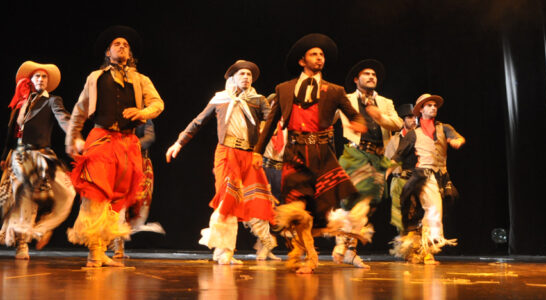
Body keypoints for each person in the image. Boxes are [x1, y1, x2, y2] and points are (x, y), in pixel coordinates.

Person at [253, 33, 367, 273]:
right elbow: (272, 122)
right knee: (296, 210)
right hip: (295, 153)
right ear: (302, 61)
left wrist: (359, 123)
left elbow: (354, 115)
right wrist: (257, 152)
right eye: (314, 54)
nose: (319, 58)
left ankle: (310, 250)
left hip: (322, 155)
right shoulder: (283, 89)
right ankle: (309, 256)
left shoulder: (334, 91)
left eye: (322, 55)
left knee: (320, 210)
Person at [66, 25, 164, 267]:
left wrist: (142, 112)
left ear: (130, 54)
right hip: (101, 139)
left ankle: (103, 249)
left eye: (126, 45)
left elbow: (158, 104)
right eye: (117, 44)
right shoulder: (95, 78)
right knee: (95, 194)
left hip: (128, 144)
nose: (122, 47)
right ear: (108, 52)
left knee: (116, 199)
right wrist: (71, 138)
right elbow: (79, 110)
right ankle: (94, 253)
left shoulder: (141, 80)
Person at [166, 60, 278, 264]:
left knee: (257, 199)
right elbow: (197, 122)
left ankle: (264, 246)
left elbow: (271, 123)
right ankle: (224, 251)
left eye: (249, 75)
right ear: (233, 77)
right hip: (227, 153)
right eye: (242, 74)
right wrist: (178, 143)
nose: (246, 77)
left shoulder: (258, 100)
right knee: (228, 197)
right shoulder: (220, 99)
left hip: (249, 154)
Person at [0, 61, 76, 259]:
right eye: (37, 76)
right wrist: (4, 156)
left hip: (42, 155)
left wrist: (74, 134)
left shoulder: (52, 100)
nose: (41, 79)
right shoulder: (21, 103)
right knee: (23, 198)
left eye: (44, 77)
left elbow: (64, 118)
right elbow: (12, 133)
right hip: (20, 156)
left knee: (67, 191)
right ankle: (22, 243)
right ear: (31, 80)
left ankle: (42, 228)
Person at [333, 59, 402, 268]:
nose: (371, 77)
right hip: (355, 154)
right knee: (355, 199)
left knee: (370, 202)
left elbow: (398, 123)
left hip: (379, 157)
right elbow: (327, 116)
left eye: (374, 74)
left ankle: (348, 247)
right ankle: (345, 246)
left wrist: (379, 115)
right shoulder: (345, 99)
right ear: (356, 79)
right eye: (366, 74)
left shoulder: (385, 102)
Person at [388, 94, 465, 264]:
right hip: (421, 176)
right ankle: (425, 247)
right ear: (420, 110)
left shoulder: (443, 128)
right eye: (428, 105)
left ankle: (425, 249)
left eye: (435, 106)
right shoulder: (413, 134)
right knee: (429, 209)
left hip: (442, 176)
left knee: (444, 204)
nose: (433, 108)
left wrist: (457, 140)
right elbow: (397, 156)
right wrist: (384, 173)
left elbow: (456, 136)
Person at [111, 119, 165, 259]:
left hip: (140, 164)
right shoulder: (116, 115)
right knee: (119, 204)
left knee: (139, 205)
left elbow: (150, 137)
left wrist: (130, 147)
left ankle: (122, 237)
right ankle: (118, 247)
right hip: (120, 164)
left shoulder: (144, 118)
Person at [383, 103, 416, 233]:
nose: (413, 120)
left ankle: (417, 245)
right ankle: (404, 244)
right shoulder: (394, 139)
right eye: (410, 117)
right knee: (399, 214)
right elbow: (387, 159)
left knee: (415, 212)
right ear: (402, 120)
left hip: (415, 178)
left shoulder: (419, 136)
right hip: (398, 179)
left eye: (415, 117)